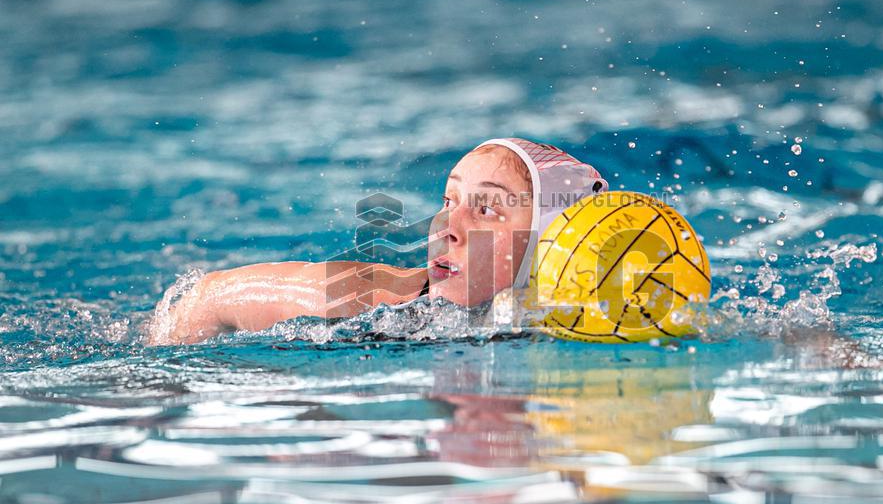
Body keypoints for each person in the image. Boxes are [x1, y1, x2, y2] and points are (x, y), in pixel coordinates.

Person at [147, 138, 608, 345]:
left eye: (485, 210)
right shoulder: (374, 299)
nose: (446, 226)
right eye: (448, 200)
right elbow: (209, 296)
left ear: (550, 245)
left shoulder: (608, 314)